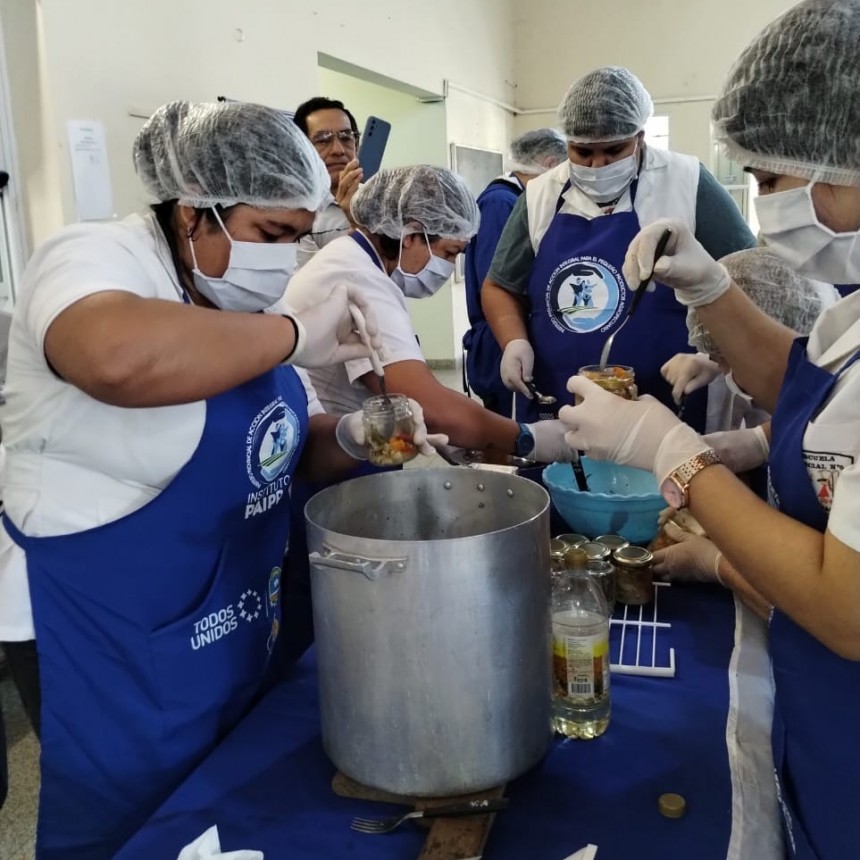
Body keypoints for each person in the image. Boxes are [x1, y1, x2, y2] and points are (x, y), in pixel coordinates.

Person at [0, 99, 440, 860]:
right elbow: (115, 357)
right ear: (191, 213)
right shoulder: (91, 258)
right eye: (270, 235)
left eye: (298, 239)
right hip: (105, 631)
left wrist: (361, 436)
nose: (283, 261)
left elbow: (281, 447)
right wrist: (298, 335)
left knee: (226, 803)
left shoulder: (241, 297)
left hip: (222, 616)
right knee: (135, 828)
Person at [561, 3, 860, 855]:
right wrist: (707, 290)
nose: (763, 204)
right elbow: (803, 377)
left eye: (772, 179)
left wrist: (673, 454)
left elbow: (847, 609)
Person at [482, 66, 755, 430]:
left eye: (614, 150)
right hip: (560, 395)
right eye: (582, 152)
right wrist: (514, 341)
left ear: (639, 136)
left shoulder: (687, 183)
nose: (598, 165)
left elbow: (752, 276)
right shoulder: (540, 195)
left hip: (671, 396)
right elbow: (500, 285)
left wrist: (716, 358)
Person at [286, 165, 574, 464]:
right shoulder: (359, 278)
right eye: (449, 253)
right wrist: (526, 438)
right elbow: (429, 406)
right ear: (410, 234)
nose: (447, 268)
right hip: (328, 457)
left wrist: (458, 434)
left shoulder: (354, 261)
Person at [661, 246, 840, 434]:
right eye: (718, 359)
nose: (726, 373)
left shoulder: (843, 403)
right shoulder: (805, 361)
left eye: (726, 360)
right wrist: (712, 361)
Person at [463, 128, 567, 416]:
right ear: (549, 164)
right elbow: (500, 280)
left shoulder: (518, 200)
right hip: (499, 339)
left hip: (513, 336)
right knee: (508, 433)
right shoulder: (501, 202)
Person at [293, 96, 363, 266]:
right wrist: (356, 224)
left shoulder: (376, 199)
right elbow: (318, 283)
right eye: (323, 140)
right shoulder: (295, 213)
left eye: (346, 138)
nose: (338, 150)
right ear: (300, 149)